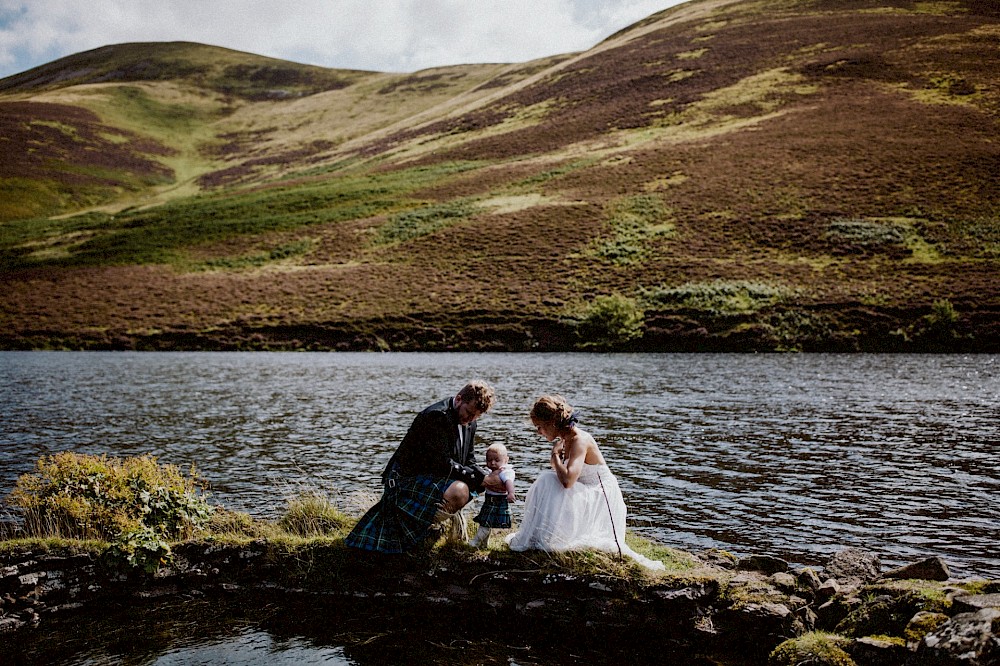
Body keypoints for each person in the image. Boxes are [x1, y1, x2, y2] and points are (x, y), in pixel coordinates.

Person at [505, 395, 665, 571]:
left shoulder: (579, 440)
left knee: (548, 481)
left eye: (540, 427)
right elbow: (561, 472)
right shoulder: (565, 438)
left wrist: (554, 456)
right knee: (547, 481)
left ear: (551, 423)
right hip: (585, 490)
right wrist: (557, 458)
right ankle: (541, 536)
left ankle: (547, 538)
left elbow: (567, 481)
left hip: (601, 496)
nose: (539, 433)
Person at [345, 380, 496, 553]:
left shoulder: (469, 422)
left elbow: (468, 460)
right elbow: (442, 463)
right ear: (459, 399)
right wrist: (480, 478)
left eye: (475, 417)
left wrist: (487, 478)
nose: (470, 419)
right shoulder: (436, 417)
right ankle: (424, 529)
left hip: (431, 476)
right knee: (460, 490)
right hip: (404, 480)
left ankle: (429, 526)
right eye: (468, 413)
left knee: (474, 485)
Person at [470, 443, 516, 548]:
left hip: (497, 501)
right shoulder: (491, 471)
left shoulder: (505, 471)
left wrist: (511, 493)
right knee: (486, 524)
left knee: (485, 524)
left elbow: (509, 482)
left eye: (496, 460)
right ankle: (484, 544)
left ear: (506, 460)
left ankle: (476, 542)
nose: (492, 463)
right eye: (489, 460)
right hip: (489, 500)